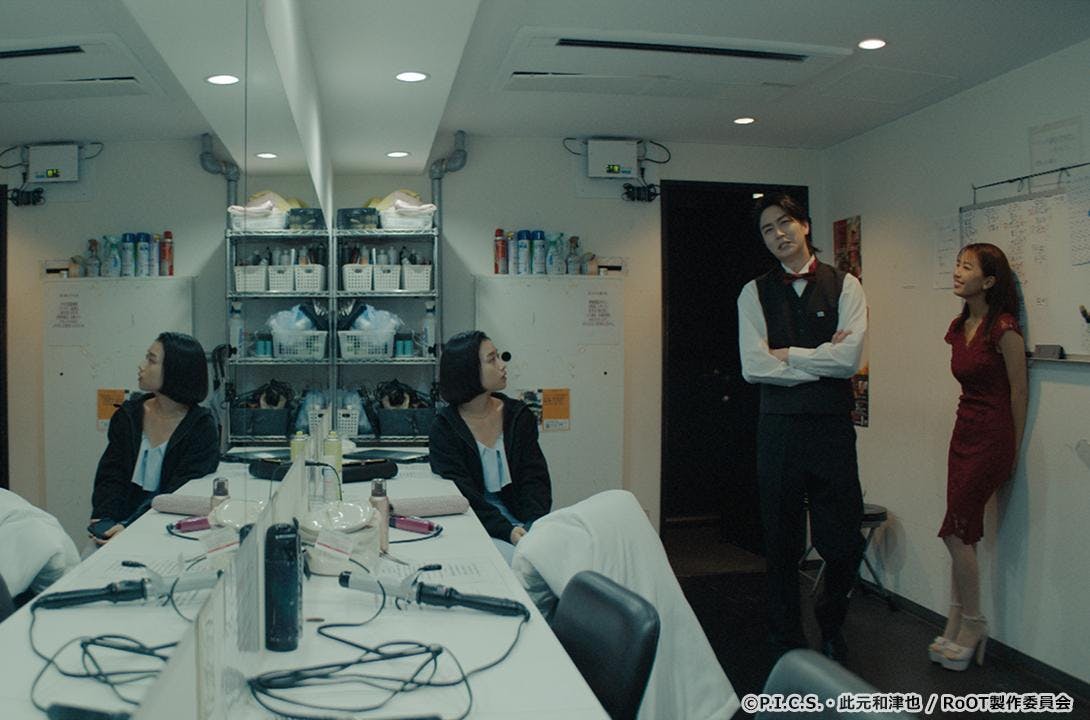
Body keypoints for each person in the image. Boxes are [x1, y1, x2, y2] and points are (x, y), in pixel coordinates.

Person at [737, 193, 868, 661]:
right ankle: (785, 638)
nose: (778, 234)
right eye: (767, 229)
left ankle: (831, 622)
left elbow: (849, 360)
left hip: (831, 428)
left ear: (805, 225)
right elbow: (754, 367)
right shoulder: (753, 293)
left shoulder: (846, 285)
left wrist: (788, 355)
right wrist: (822, 360)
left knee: (844, 541)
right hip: (779, 429)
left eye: (785, 223)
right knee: (780, 540)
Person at [929, 243, 1027, 671]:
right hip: (963, 430)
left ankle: (973, 622)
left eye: (966, 267)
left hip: (993, 435)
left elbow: (1019, 391)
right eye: (957, 264)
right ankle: (956, 616)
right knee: (961, 530)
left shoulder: (1003, 328)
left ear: (988, 281)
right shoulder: (959, 325)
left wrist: (1014, 449)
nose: (957, 272)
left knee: (955, 532)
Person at [428, 330, 552, 562]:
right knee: (509, 564)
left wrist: (534, 525)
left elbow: (535, 479)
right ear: (469, 371)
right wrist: (507, 531)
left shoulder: (517, 416)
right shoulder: (445, 428)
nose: (502, 365)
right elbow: (463, 494)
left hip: (525, 522)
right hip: (477, 524)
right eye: (492, 359)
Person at [89, 332, 219, 545]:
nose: (141, 366)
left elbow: (178, 494)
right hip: (117, 524)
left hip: (168, 528)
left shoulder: (201, 427)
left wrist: (130, 526)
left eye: (151, 360)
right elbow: (111, 475)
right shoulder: (129, 415)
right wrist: (103, 517)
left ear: (175, 370)